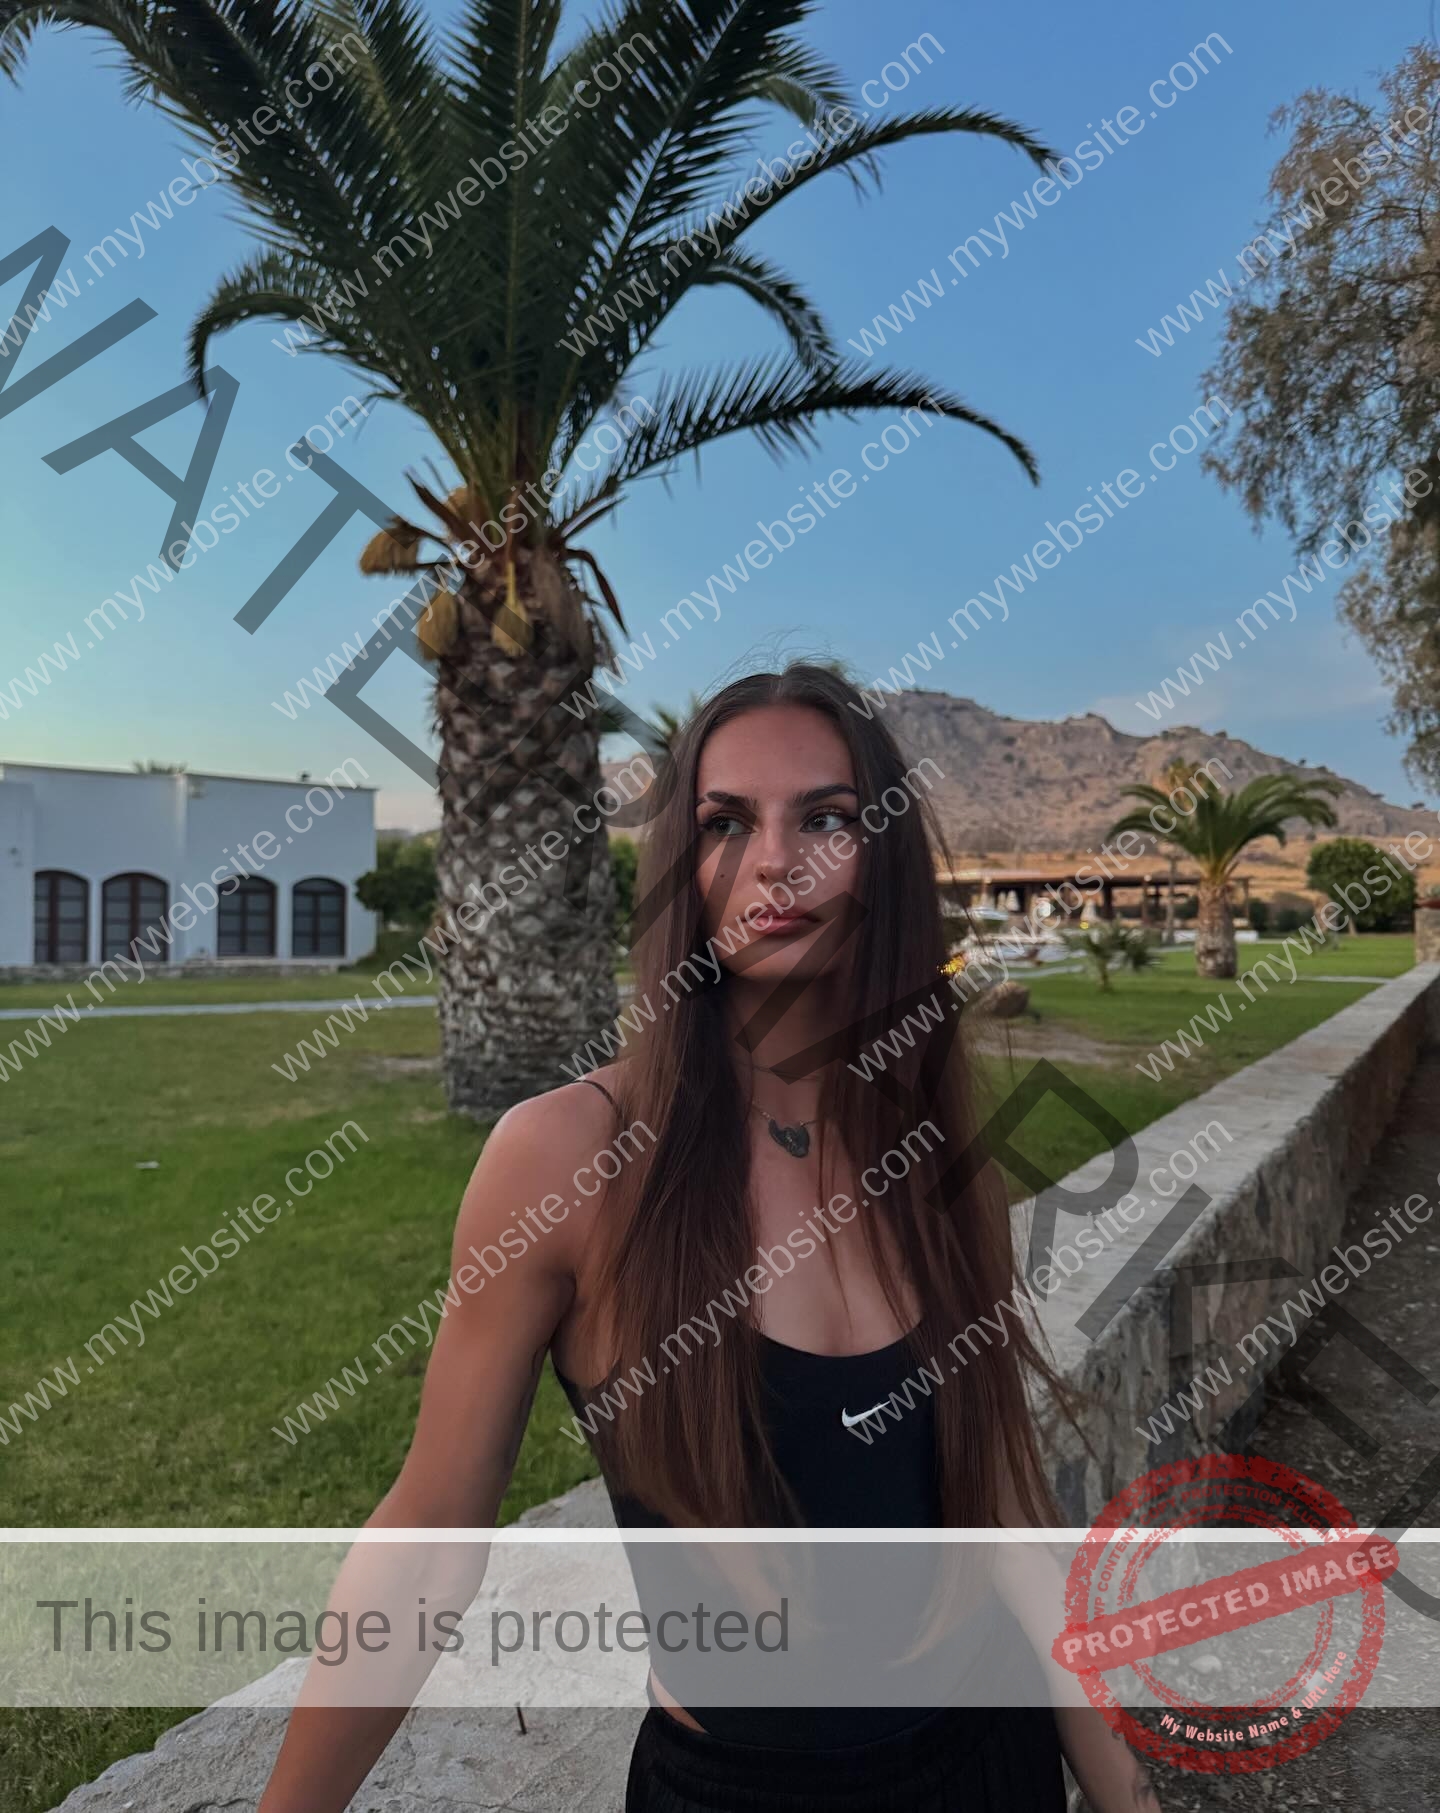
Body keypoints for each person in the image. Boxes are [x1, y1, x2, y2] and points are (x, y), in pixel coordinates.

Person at [255, 664, 1160, 1812]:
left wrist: (1130, 1798)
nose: (775, 860)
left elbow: (1003, 1510)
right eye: (726, 823)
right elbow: (430, 1532)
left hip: (991, 1761)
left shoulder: (931, 1145)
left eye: (827, 818)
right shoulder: (570, 1158)